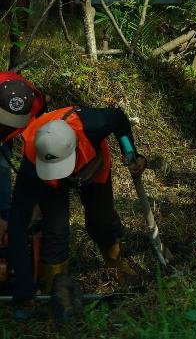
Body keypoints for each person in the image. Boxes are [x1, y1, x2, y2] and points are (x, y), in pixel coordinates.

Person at [7, 105, 147, 302]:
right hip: (50, 183)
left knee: (102, 221)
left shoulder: (94, 125)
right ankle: (57, 290)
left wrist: (131, 151)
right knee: (56, 230)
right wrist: (23, 284)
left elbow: (119, 117)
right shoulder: (32, 157)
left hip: (93, 166)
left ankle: (117, 265)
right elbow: (17, 220)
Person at [0, 72, 47, 233]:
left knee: (2, 169)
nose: (6, 127)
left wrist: (37, 200)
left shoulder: (35, 105)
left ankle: (6, 221)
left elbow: (38, 152)